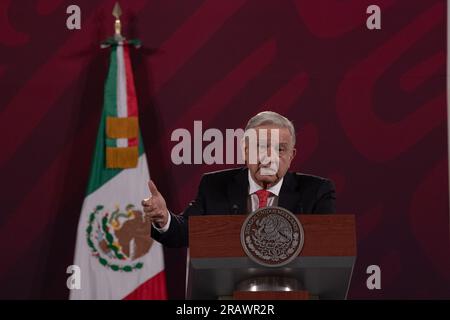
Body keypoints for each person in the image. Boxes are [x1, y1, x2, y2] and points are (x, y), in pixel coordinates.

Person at [142, 111, 336, 247]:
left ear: (292, 156)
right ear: (245, 151)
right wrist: (164, 218)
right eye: (260, 147)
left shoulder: (316, 192)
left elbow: (329, 248)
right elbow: (184, 233)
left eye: (280, 149)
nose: (269, 157)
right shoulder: (215, 186)